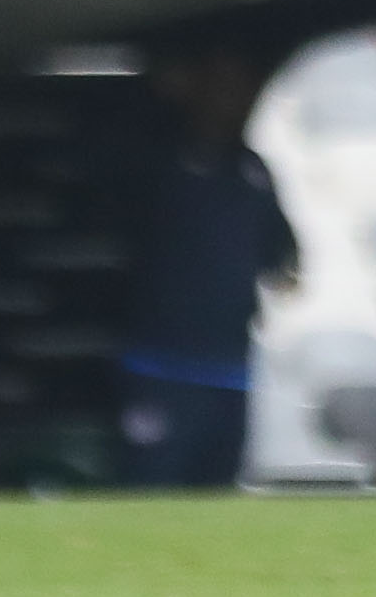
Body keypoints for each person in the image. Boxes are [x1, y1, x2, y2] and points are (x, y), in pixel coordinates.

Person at [119, 47, 298, 487]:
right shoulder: (159, 165)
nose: (235, 100)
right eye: (223, 87)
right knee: (151, 492)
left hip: (230, 370)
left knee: (217, 496)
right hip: (163, 370)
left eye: (242, 88)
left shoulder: (253, 171)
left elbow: (283, 255)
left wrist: (284, 268)